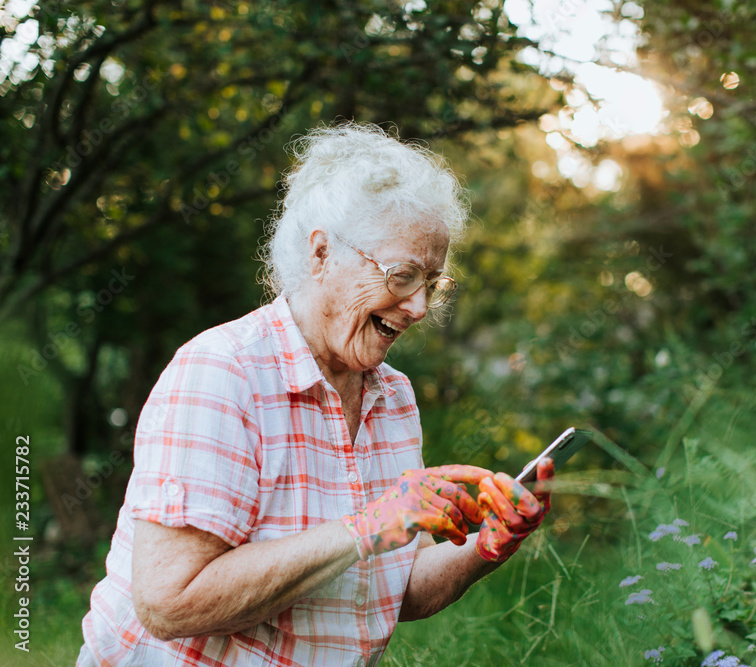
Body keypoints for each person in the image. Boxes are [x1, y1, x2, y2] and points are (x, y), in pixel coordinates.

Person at [77, 123, 555, 667]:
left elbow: (395, 590)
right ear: (322, 253)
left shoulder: (393, 397)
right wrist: (368, 525)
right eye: (401, 275)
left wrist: (487, 546)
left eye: (432, 282)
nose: (419, 306)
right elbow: (170, 602)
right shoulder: (224, 373)